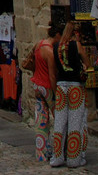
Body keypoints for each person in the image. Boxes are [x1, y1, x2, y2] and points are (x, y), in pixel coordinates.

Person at [50, 20, 92, 168]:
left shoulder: (56, 47)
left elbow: (55, 70)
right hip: (75, 87)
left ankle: (57, 157)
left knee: (60, 122)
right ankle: (74, 159)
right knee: (76, 122)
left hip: (61, 86)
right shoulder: (77, 46)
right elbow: (87, 62)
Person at [26, 23, 62, 162]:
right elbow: (52, 76)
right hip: (47, 86)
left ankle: (41, 152)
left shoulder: (38, 45)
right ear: (57, 35)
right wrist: (56, 92)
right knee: (58, 117)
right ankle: (59, 150)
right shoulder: (50, 52)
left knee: (41, 119)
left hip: (37, 85)